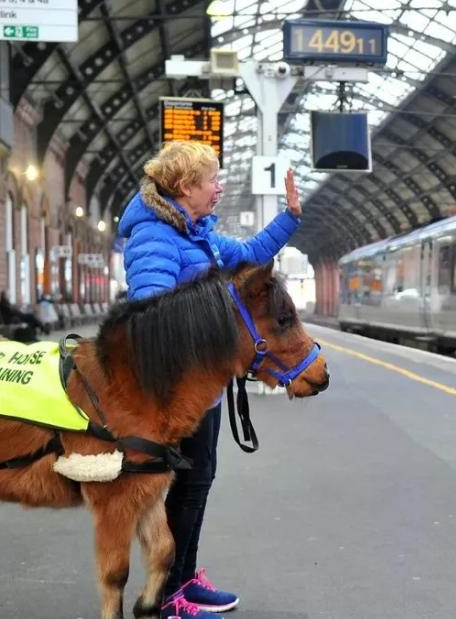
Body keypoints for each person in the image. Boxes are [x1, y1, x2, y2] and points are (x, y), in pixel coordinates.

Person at [118, 141, 302, 619]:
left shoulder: (198, 234)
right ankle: (168, 595)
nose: (219, 188)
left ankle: (183, 579)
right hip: (177, 393)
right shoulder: (154, 238)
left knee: (197, 483)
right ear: (185, 188)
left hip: (206, 391)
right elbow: (152, 315)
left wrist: (289, 217)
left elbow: (250, 256)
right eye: (212, 181)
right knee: (183, 487)